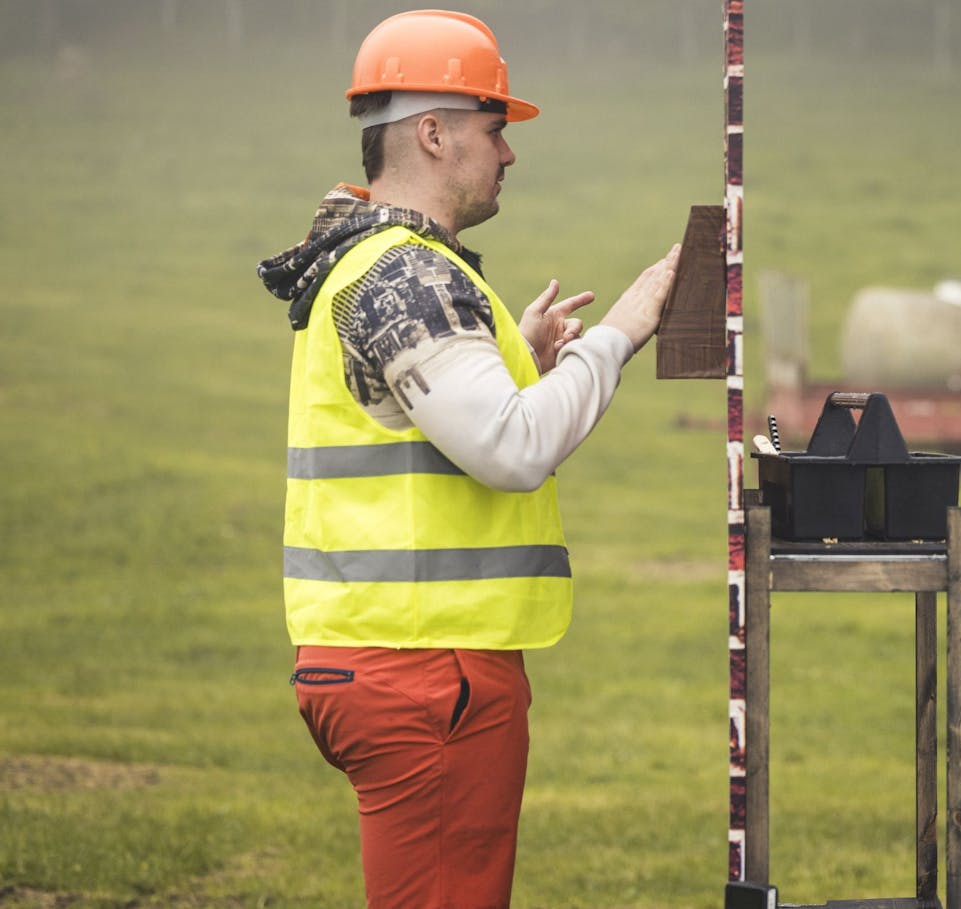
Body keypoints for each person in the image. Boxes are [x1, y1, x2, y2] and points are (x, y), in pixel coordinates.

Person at [256, 10, 680, 907]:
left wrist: (514, 352)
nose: (511, 153)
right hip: (423, 674)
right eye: (495, 128)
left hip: (387, 658)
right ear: (433, 132)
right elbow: (512, 445)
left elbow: (436, 416)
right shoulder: (406, 276)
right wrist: (622, 334)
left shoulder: (380, 267)